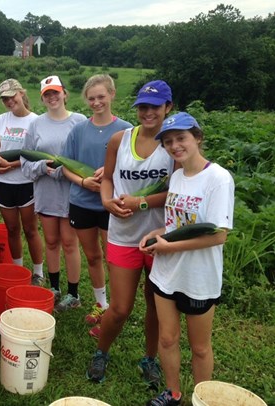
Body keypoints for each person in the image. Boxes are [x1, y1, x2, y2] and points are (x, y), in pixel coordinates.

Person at [141, 112, 234, 406]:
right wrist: (156, 235)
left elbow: (218, 235)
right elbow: (174, 225)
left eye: (181, 138)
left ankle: (201, 397)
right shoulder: (178, 176)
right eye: (168, 141)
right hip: (166, 273)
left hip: (198, 278)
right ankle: (174, 392)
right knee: (167, 339)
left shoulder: (218, 178)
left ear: (197, 138)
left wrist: (169, 247)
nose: (175, 146)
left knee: (200, 348)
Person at [86, 80, 175, 389]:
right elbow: (108, 178)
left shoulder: (174, 145)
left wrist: (143, 202)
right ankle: (101, 352)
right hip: (122, 233)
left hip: (158, 239)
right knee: (121, 307)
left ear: (168, 108)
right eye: (143, 107)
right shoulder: (119, 140)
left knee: (155, 305)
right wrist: (106, 201)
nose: (148, 112)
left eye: (155, 107)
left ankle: (149, 358)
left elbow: (178, 190)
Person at [61, 74, 132, 336]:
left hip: (111, 204)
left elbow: (135, 166)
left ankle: (116, 310)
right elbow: (64, 166)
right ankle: (101, 303)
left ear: (112, 95)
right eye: (91, 98)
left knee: (114, 258)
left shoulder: (126, 130)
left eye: (101, 96)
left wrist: (111, 169)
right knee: (92, 256)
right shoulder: (78, 130)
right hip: (82, 201)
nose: (96, 102)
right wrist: (83, 181)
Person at [20, 75, 86, 311]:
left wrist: (68, 169)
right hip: (46, 192)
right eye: (47, 94)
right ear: (42, 98)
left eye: (55, 92)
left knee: (70, 243)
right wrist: (42, 167)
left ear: (64, 94)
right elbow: (25, 161)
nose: (52, 97)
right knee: (51, 241)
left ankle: (74, 294)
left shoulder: (79, 122)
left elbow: (85, 158)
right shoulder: (35, 125)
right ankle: (55, 288)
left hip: (72, 193)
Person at [0, 78, 44, 285]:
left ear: (21, 93)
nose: (9, 101)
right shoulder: (1, 120)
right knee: (12, 229)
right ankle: (18, 269)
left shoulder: (36, 121)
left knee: (30, 229)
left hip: (27, 182)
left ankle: (38, 272)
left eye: (12, 96)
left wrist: (12, 165)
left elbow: (37, 155)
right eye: (4, 99)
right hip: (4, 183)